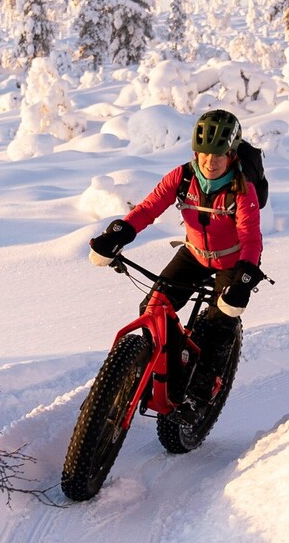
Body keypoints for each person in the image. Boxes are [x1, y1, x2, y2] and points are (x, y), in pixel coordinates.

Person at [88, 108, 263, 419]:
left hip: (232, 262)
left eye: (219, 154)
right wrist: (119, 235)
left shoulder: (242, 188)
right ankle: (158, 366)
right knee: (152, 309)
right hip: (194, 254)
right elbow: (147, 209)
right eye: (204, 153)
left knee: (219, 322)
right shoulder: (182, 177)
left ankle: (206, 387)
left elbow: (251, 237)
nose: (210, 161)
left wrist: (245, 277)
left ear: (232, 153)